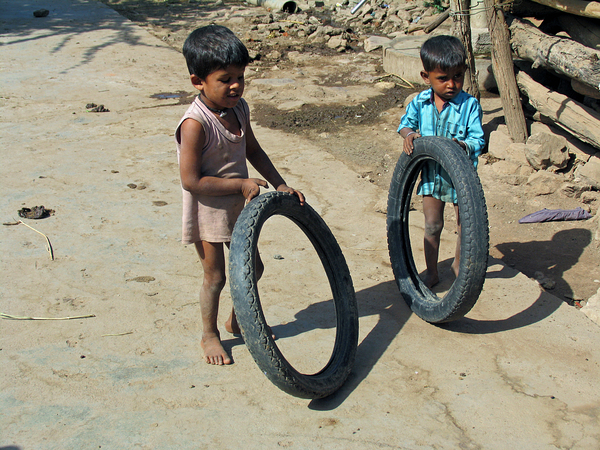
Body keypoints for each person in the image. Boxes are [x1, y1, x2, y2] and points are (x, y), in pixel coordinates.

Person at [175, 25, 305, 365]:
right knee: (215, 276)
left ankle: (238, 320)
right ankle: (209, 334)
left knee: (254, 268)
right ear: (197, 81)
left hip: (237, 208)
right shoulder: (195, 124)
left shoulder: (238, 109)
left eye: (240, 77)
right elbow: (191, 180)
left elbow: (253, 149)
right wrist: (240, 184)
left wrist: (279, 183)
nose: (235, 86)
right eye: (225, 79)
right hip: (208, 211)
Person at [397, 35, 485, 288]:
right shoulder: (419, 103)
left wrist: (461, 146)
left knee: (465, 225)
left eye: (458, 76)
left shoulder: (470, 105)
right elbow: (405, 125)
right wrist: (409, 136)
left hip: (462, 179)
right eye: (443, 78)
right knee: (432, 225)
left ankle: (460, 266)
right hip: (432, 176)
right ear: (426, 77)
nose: (451, 84)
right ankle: (432, 272)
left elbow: (478, 140)